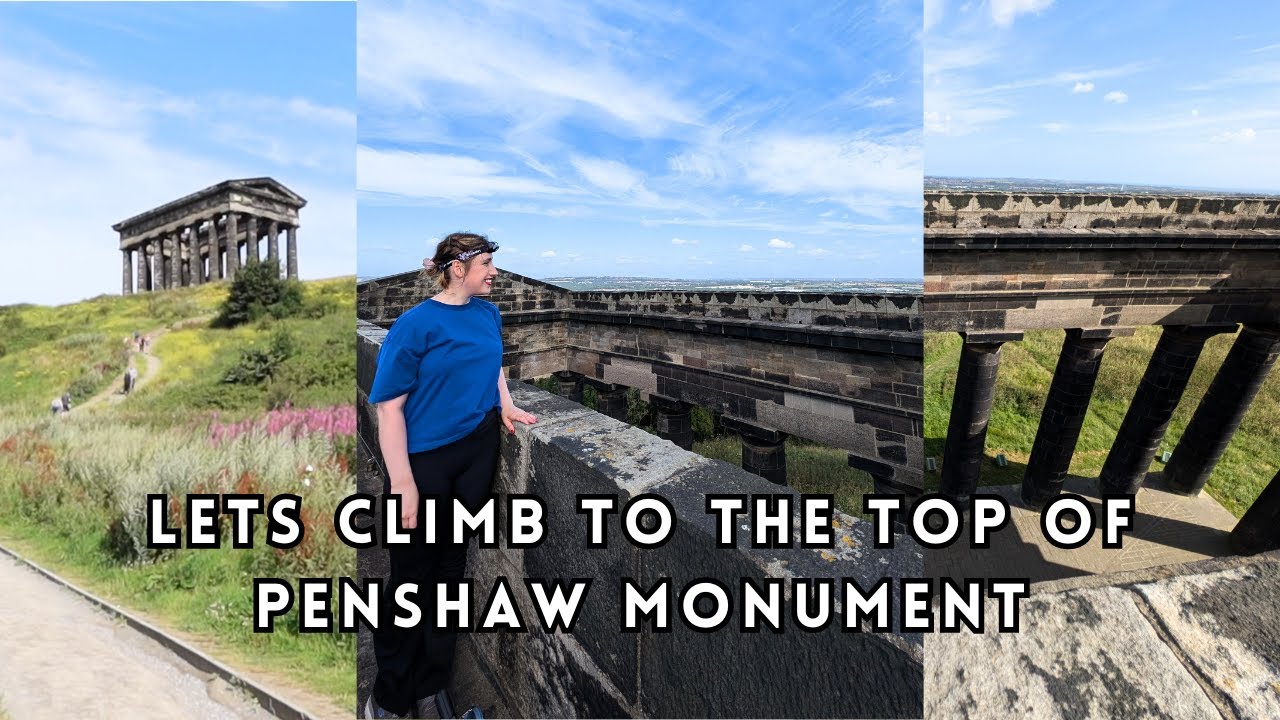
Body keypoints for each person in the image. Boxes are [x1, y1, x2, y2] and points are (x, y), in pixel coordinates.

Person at [364, 233, 536, 720]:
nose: (495, 272)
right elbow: (389, 407)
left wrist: (506, 404)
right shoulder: (415, 325)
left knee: (449, 574)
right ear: (457, 269)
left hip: (475, 452)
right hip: (425, 463)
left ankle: (432, 683)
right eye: (487, 263)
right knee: (409, 581)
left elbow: (494, 364)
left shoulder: (488, 313)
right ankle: (389, 696)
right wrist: (403, 483)